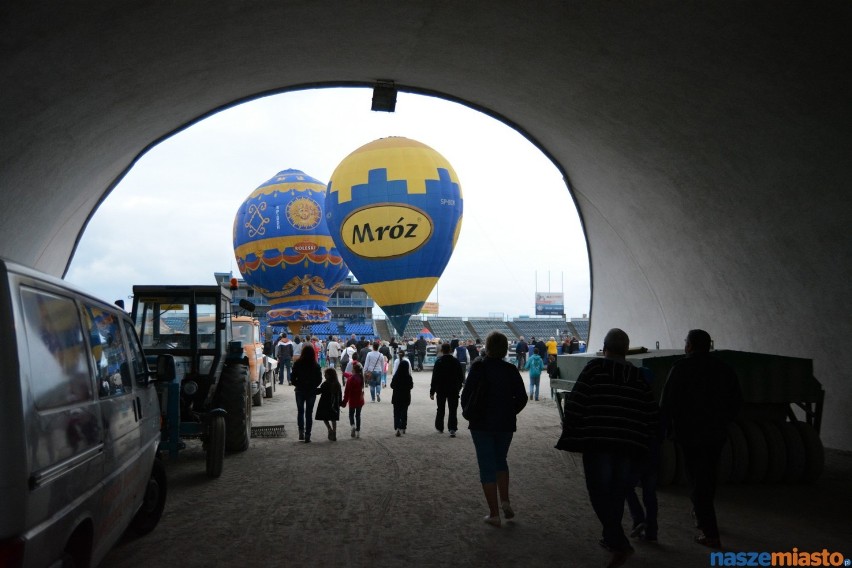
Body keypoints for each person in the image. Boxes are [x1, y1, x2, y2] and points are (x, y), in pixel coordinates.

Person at [555, 328, 658, 568]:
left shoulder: (594, 369)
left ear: (605, 348)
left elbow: (576, 404)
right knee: (617, 493)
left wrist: (573, 433)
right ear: (626, 350)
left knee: (598, 492)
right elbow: (650, 412)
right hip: (629, 446)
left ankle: (619, 541)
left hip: (599, 442)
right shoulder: (638, 377)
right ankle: (612, 538)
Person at [660, 329, 742, 549]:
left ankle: (710, 532)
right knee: (709, 477)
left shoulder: (681, 368)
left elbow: (667, 402)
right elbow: (736, 402)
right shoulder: (724, 369)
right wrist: (723, 422)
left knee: (697, 480)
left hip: (689, 435)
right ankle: (702, 515)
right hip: (716, 434)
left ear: (690, 346)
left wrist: (665, 430)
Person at [460, 331, 528, 528]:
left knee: (486, 466)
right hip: (505, 424)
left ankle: (494, 514)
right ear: (505, 348)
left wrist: (470, 413)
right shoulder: (510, 369)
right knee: (501, 461)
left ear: (487, 347)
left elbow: (466, 395)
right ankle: (505, 500)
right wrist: (510, 412)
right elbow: (522, 398)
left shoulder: (478, 368)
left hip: (481, 424)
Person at [431, 342, 464, 437]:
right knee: (453, 409)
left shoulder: (438, 362)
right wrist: (458, 388)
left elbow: (435, 378)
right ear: (450, 350)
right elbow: (461, 377)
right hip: (453, 389)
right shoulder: (455, 361)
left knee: (440, 409)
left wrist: (432, 391)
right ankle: (452, 428)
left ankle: (440, 427)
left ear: (441, 350)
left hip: (441, 389)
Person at [291, 343, 322, 443]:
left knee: (300, 411)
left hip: (300, 390)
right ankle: (308, 434)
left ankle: (301, 432)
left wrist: (298, 384)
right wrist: (313, 386)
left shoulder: (297, 363)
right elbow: (319, 379)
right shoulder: (316, 365)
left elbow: (292, 378)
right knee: (309, 413)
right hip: (311, 391)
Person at [390, 348, 414, 436]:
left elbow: (392, 385)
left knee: (396, 413)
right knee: (404, 412)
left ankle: (397, 427)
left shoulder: (396, 376)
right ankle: (403, 427)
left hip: (396, 396)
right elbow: (411, 386)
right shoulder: (408, 377)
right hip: (406, 397)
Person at [315, 368, 342, 441]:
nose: (324, 375)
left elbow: (320, 391)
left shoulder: (325, 384)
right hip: (334, 404)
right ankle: (334, 431)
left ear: (329, 375)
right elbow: (340, 394)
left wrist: (312, 390)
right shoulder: (337, 384)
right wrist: (340, 403)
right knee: (333, 419)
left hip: (324, 403)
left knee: (324, 417)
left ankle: (329, 429)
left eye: (325, 374)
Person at [341, 361, 366, 438]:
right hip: (360, 400)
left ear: (354, 370)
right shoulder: (361, 378)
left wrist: (344, 402)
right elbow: (350, 375)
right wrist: (344, 373)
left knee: (351, 414)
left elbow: (347, 392)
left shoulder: (350, 380)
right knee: (358, 415)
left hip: (352, 399)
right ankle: (358, 431)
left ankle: (352, 426)